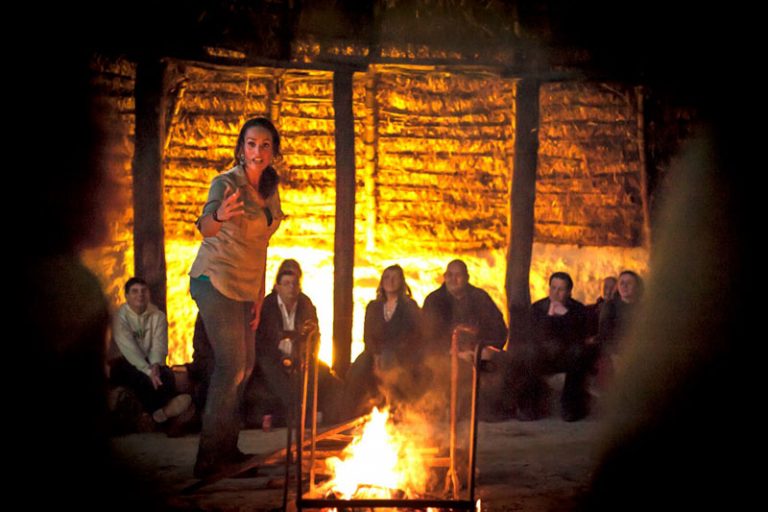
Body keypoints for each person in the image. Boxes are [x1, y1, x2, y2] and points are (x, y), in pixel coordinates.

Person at [188, 117, 285, 478]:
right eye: (251, 144)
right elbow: (205, 226)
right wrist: (218, 214)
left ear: (273, 150)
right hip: (214, 280)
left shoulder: (271, 190)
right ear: (241, 148)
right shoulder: (225, 183)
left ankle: (227, 450)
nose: (257, 151)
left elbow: (262, 247)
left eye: (264, 145)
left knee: (244, 367)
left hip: (244, 285)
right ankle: (208, 459)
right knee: (231, 365)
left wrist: (258, 299)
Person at [244, 263, 343, 426]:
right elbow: (261, 340)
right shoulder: (267, 305)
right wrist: (281, 357)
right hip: (272, 358)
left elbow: (314, 336)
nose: (291, 288)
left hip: (300, 356)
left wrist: (303, 355)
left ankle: (307, 414)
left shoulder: (305, 304)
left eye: (294, 284)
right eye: (286, 284)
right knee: (272, 371)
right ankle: (297, 413)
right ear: (277, 287)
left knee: (326, 376)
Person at [421, 259, 511, 420]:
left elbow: (498, 328)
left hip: (477, 350)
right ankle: (452, 413)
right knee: (447, 367)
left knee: (502, 363)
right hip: (445, 352)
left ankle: (490, 411)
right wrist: (453, 351)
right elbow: (427, 335)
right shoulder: (434, 300)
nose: (453, 279)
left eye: (458, 275)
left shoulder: (480, 297)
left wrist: (483, 349)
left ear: (467, 277)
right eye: (449, 275)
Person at [110, 277, 193, 431]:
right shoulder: (120, 318)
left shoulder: (158, 316)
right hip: (126, 364)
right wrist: (148, 370)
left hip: (151, 364)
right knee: (140, 378)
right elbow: (128, 348)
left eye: (143, 291)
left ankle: (158, 416)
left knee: (165, 377)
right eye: (134, 292)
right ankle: (158, 415)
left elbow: (159, 344)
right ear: (127, 296)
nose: (140, 295)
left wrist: (154, 365)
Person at [515, 271, 596, 422]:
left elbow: (581, 336)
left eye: (561, 289)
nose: (556, 293)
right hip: (543, 355)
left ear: (569, 292)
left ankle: (570, 408)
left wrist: (565, 315)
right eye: (553, 288)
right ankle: (528, 407)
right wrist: (549, 318)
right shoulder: (538, 307)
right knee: (528, 353)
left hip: (566, 355)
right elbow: (531, 334)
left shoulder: (577, 309)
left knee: (579, 353)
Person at [344, 265, 423, 417]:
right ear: (381, 282)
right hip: (375, 350)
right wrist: (375, 354)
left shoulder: (409, 306)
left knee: (389, 363)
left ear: (401, 282)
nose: (390, 281)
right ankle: (351, 412)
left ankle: (393, 408)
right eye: (387, 277)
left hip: (401, 352)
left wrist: (394, 351)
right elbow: (367, 335)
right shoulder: (373, 307)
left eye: (395, 278)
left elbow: (414, 335)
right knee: (358, 368)